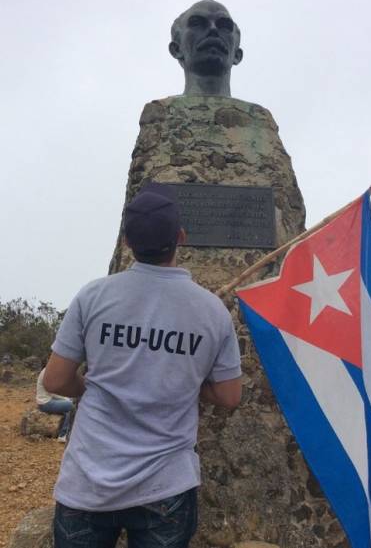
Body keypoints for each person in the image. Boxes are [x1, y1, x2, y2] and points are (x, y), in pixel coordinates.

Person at [43, 183, 242, 548]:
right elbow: (230, 396)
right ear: (180, 237)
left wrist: (86, 385)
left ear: (127, 243)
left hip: (89, 479)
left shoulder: (93, 296)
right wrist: (185, 379)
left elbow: (55, 379)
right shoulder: (211, 311)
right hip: (166, 486)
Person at [169, 0, 243, 97]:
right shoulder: (159, 111)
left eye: (224, 26)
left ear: (237, 55)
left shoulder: (256, 112)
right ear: (177, 49)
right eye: (197, 24)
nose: (213, 29)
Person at [36, 367, 74, 443]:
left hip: (49, 400)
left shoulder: (50, 371)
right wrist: (65, 399)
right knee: (71, 406)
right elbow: (52, 391)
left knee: (69, 406)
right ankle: (63, 435)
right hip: (45, 402)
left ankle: (68, 431)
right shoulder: (47, 373)